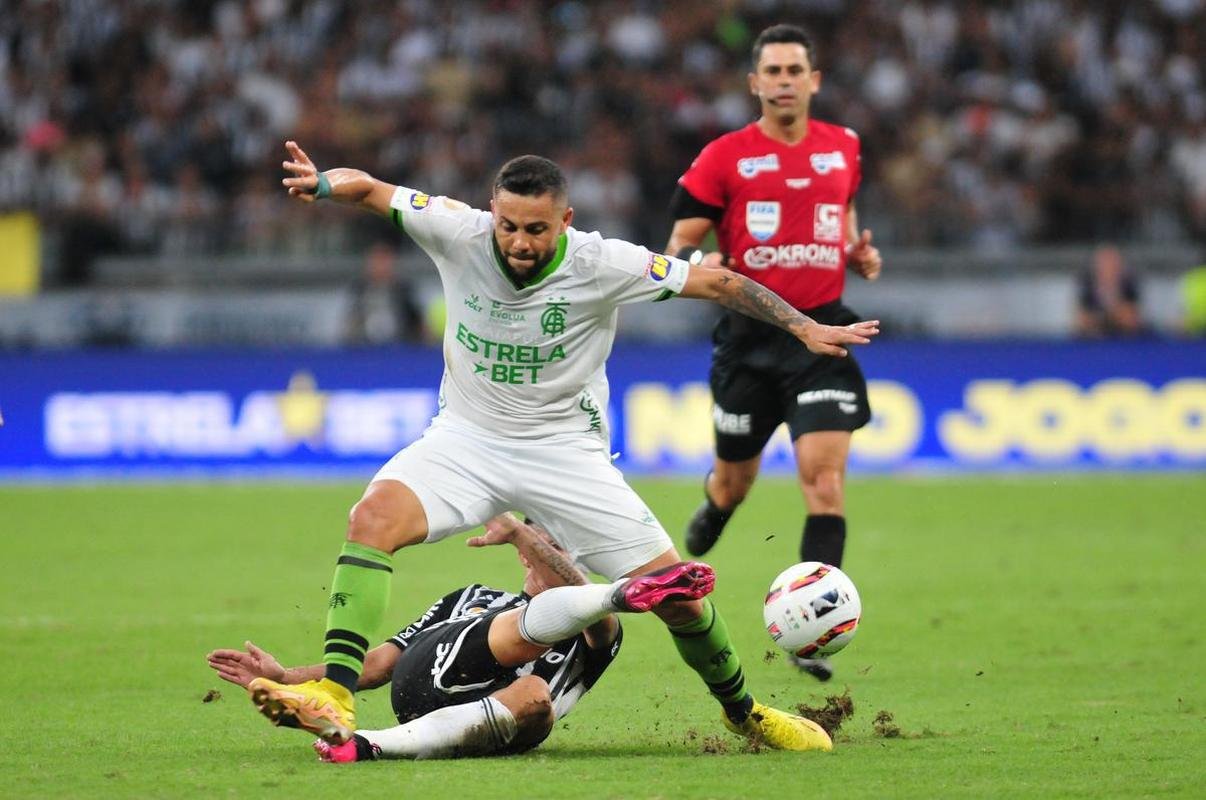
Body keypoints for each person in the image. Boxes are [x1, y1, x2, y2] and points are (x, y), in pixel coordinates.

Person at [250, 137, 879, 753]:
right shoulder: (456, 230)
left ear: (566, 221)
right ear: (491, 214)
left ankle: (746, 715)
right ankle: (334, 694)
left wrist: (802, 325)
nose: (520, 242)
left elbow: (717, 284)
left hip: (566, 454)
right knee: (371, 519)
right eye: (509, 226)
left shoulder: (604, 263)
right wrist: (325, 184)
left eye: (536, 229)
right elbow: (373, 190)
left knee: (682, 599)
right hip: (465, 442)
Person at [664, 24, 883, 681]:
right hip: (749, 342)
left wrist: (856, 250)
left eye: (796, 70)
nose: (785, 81)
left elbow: (839, 216)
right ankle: (718, 505)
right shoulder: (722, 158)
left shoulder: (844, 146)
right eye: (774, 71)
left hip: (824, 336)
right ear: (755, 83)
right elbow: (677, 246)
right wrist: (701, 265)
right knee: (736, 481)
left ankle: (818, 620)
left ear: (814, 81)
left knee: (824, 480)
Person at [210, 514, 712, 760]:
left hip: (496, 723)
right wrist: (289, 678)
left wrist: (527, 536)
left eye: (556, 546)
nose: (541, 553)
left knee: (539, 695)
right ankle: (626, 591)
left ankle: (361, 745)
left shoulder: (601, 635)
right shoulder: (471, 596)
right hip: (423, 681)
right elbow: (383, 662)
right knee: (520, 632)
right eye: (536, 544)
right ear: (521, 554)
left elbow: (595, 623)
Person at [1074, 244, 1144, 337]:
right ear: (1096, 267)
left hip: (1125, 340)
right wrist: (1115, 315)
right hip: (1094, 340)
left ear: (1120, 266)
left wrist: (1099, 318)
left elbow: (1131, 319)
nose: (1109, 268)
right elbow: (1082, 320)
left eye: (1113, 264)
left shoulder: (1129, 285)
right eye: (1104, 264)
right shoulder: (1087, 286)